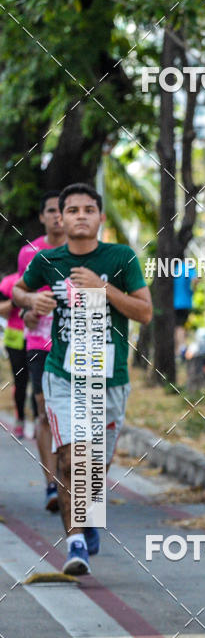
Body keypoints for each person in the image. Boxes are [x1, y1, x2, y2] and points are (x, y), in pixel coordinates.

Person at [13, 183, 152, 575]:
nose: (79, 216)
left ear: (100, 217)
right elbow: (21, 292)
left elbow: (144, 312)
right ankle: (74, 542)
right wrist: (32, 303)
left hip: (110, 380)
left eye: (88, 209)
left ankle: (87, 517)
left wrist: (104, 288)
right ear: (60, 217)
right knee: (71, 458)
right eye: (71, 210)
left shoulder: (121, 257)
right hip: (62, 375)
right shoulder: (47, 259)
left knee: (94, 469)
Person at [17, 191, 66, 511]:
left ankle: (71, 482)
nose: (58, 216)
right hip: (39, 343)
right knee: (45, 410)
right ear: (43, 216)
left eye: (64, 210)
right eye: (52, 210)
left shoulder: (86, 252)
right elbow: (22, 297)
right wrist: (29, 310)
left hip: (78, 344)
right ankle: (52, 485)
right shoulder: (29, 252)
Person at [0, 271, 32, 439]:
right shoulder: (9, 282)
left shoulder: (42, 276)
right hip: (15, 340)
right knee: (20, 382)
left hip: (37, 338)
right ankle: (20, 420)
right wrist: (15, 301)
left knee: (38, 383)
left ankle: (40, 423)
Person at [173, 260, 197, 358]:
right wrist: (192, 291)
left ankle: (177, 351)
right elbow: (195, 280)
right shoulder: (188, 267)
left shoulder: (170, 266)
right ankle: (180, 351)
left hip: (170, 303)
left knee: (174, 328)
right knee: (180, 327)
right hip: (184, 302)